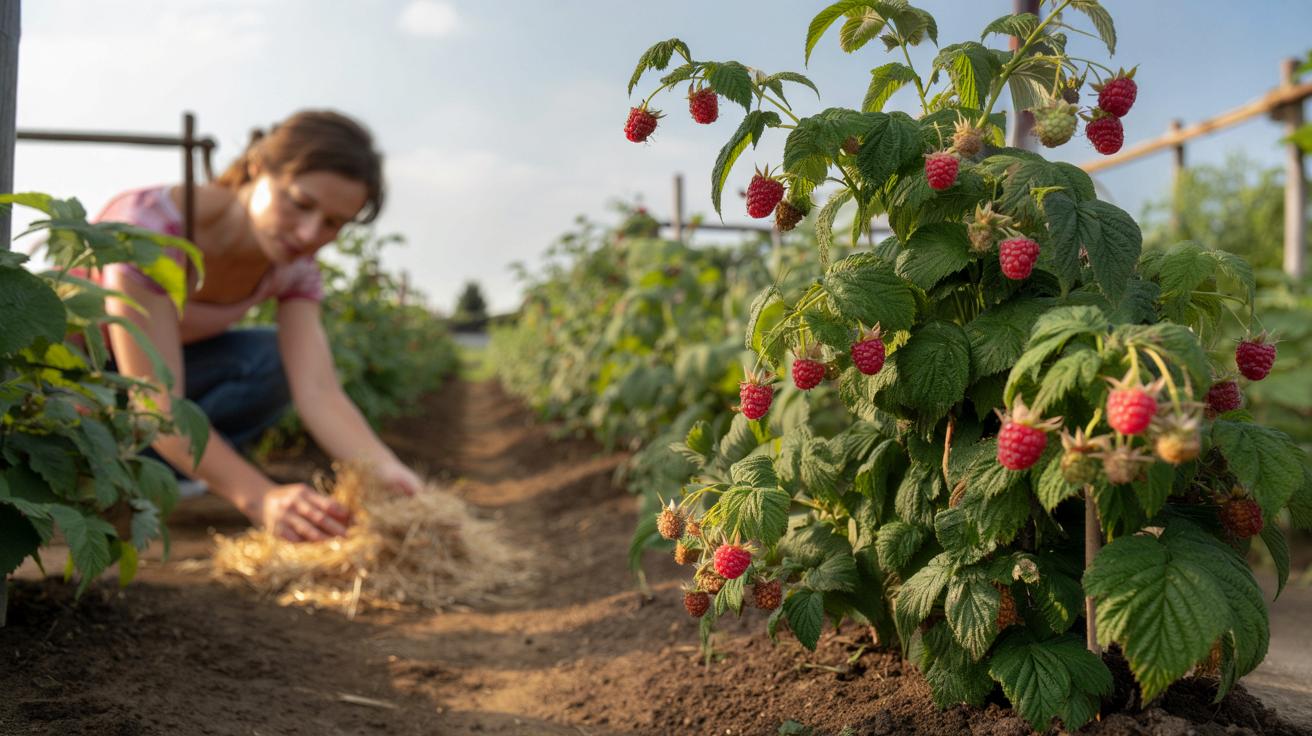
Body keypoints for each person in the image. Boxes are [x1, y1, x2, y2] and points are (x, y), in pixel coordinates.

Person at [95, 109, 424, 543]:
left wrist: (388, 472)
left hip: (159, 385)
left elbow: (319, 390)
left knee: (270, 360)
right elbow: (155, 402)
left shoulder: (293, 268)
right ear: (257, 166)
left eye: (332, 223)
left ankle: (159, 467)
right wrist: (259, 497)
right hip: (81, 382)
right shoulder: (149, 232)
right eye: (301, 203)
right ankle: (114, 463)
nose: (309, 233)